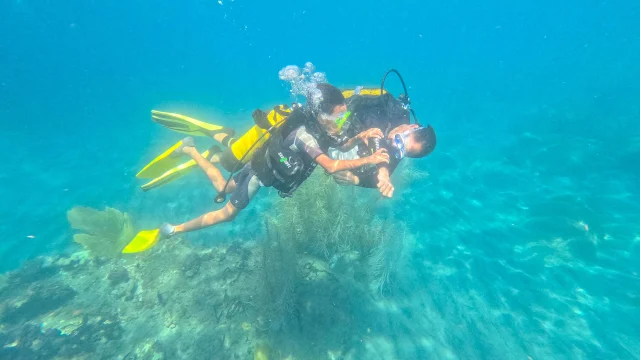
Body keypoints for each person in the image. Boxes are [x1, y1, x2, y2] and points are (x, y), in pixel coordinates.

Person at [156, 83, 390, 238]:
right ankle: (175, 229)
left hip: (261, 163)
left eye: (345, 115)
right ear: (321, 114)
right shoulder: (304, 135)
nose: (343, 121)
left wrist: (362, 136)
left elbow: (339, 145)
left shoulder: (322, 130)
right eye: (340, 116)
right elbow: (331, 166)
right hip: (259, 175)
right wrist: (371, 158)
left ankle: (191, 150)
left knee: (222, 187)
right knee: (228, 214)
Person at [328, 87, 437, 198]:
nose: (395, 145)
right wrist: (383, 171)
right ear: (412, 127)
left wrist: (355, 179)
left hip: (357, 130)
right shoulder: (391, 108)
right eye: (399, 140)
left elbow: (381, 180)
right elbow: (374, 132)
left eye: (401, 150)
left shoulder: (400, 146)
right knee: (330, 130)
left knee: (360, 165)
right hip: (348, 105)